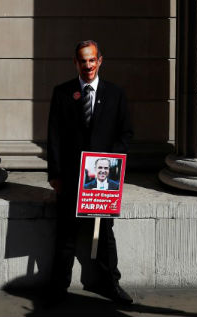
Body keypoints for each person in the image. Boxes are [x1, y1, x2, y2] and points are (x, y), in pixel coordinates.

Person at [47, 40, 133, 305]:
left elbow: (126, 135)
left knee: (105, 235)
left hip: (103, 183)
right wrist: (55, 175)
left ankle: (111, 285)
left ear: (100, 61)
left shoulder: (116, 94)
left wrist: (112, 163)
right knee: (66, 236)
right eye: (83, 61)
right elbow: (54, 137)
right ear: (75, 63)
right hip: (71, 180)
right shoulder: (62, 93)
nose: (88, 66)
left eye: (92, 60)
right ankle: (59, 288)